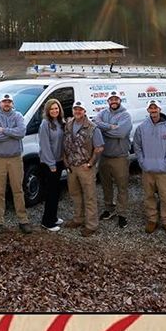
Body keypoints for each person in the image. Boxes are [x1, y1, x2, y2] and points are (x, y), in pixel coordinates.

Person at [132, 98, 166, 236]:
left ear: (159, 109)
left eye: (155, 108)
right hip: (147, 170)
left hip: (163, 171)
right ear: (148, 110)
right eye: (151, 108)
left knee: (165, 197)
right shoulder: (141, 128)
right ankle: (152, 220)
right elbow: (137, 146)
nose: (153, 111)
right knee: (149, 196)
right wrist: (142, 162)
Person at [0, 93, 33, 231]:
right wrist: (12, 134)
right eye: (4, 101)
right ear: (0, 103)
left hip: (15, 159)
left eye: (9, 101)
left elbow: (21, 133)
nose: (6, 104)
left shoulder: (18, 116)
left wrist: (5, 130)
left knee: (18, 189)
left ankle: (23, 220)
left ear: (12, 103)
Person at [62, 101, 104, 235]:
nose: (77, 112)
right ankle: (78, 219)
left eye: (80, 109)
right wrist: (65, 160)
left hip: (85, 167)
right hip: (71, 167)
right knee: (75, 195)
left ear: (84, 111)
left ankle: (92, 225)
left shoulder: (92, 128)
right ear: (73, 110)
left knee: (90, 196)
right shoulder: (68, 124)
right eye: (75, 109)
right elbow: (64, 143)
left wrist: (90, 163)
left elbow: (99, 148)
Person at [98, 90, 132, 226]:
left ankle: (122, 213)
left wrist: (104, 131)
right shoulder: (103, 113)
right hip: (104, 156)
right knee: (106, 185)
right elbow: (96, 123)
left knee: (121, 187)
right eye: (111, 99)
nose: (113, 101)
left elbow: (120, 132)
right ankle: (108, 208)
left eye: (116, 99)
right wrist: (109, 126)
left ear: (120, 101)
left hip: (120, 157)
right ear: (108, 101)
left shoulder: (126, 115)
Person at [38, 98, 65, 231]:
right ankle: (47, 222)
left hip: (59, 161)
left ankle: (53, 217)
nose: (55, 110)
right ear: (47, 111)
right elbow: (45, 145)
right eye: (52, 109)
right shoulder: (45, 124)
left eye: (57, 108)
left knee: (56, 191)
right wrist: (51, 164)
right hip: (49, 163)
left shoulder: (60, 122)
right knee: (50, 193)